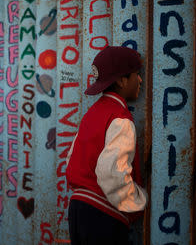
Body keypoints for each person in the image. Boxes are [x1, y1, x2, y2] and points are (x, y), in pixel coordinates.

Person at [66, 46, 148, 245]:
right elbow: (112, 175)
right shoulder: (121, 118)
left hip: (77, 209)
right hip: (102, 215)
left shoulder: (91, 114)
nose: (140, 80)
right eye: (136, 74)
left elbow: (71, 159)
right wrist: (138, 201)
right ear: (121, 81)